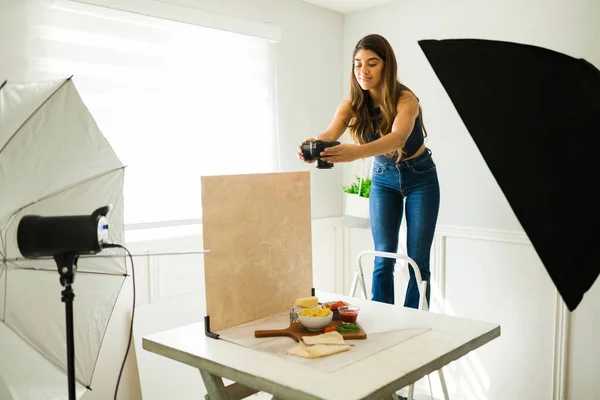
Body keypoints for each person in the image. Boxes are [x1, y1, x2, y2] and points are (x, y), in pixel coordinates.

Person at [297, 33, 440, 309]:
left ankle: (414, 323)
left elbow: (398, 137)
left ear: (387, 66)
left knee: (417, 261)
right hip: (384, 179)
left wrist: (356, 153)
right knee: (382, 257)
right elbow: (329, 133)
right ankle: (383, 321)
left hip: (421, 178)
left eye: (372, 63)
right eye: (357, 64)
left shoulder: (406, 99)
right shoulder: (351, 104)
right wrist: (313, 147)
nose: (363, 71)